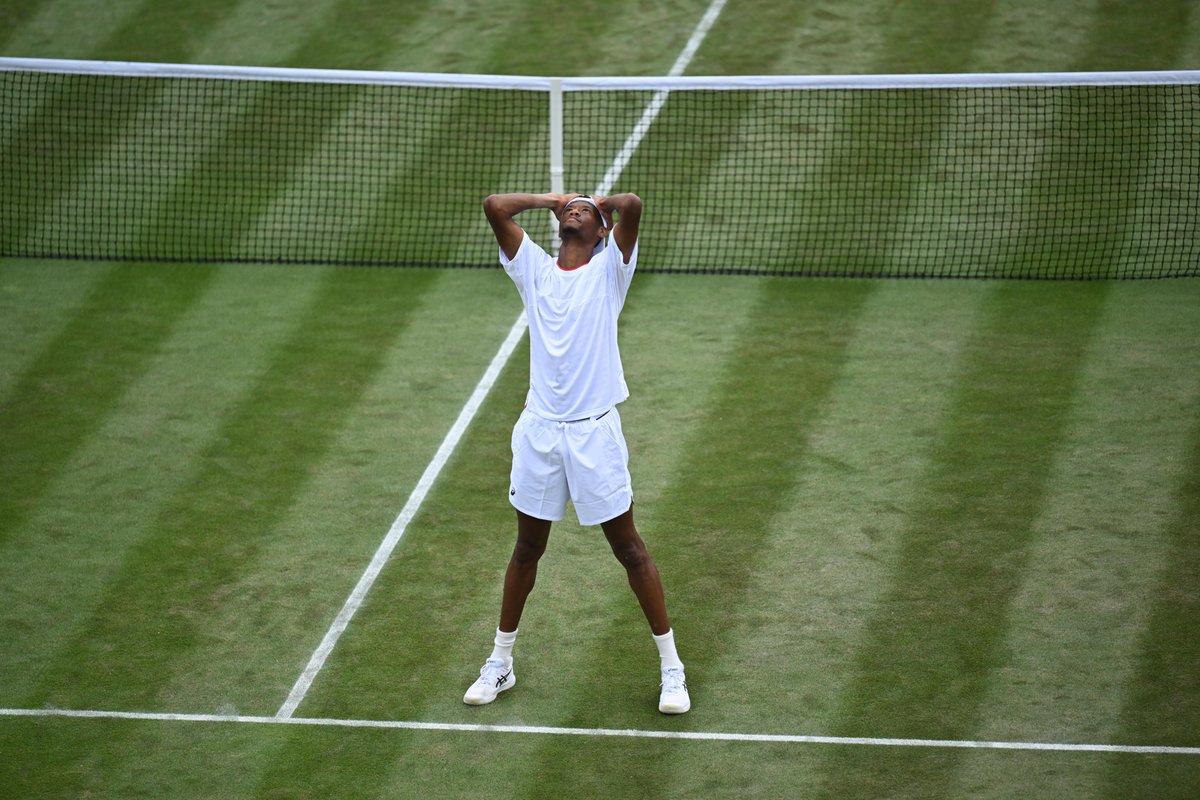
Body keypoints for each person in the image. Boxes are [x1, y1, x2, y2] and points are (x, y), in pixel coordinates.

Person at [463, 191, 690, 714]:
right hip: (539, 433)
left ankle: (672, 670)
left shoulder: (612, 270)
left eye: (585, 211)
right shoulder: (534, 271)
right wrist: (554, 199)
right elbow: (496, 205)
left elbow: (632, 202)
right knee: (527, 549)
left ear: (603, 233)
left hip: (594, 436)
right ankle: (501, 663)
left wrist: (602, 204)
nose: (575, 212)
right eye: (570, 210)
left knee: (629, 549)